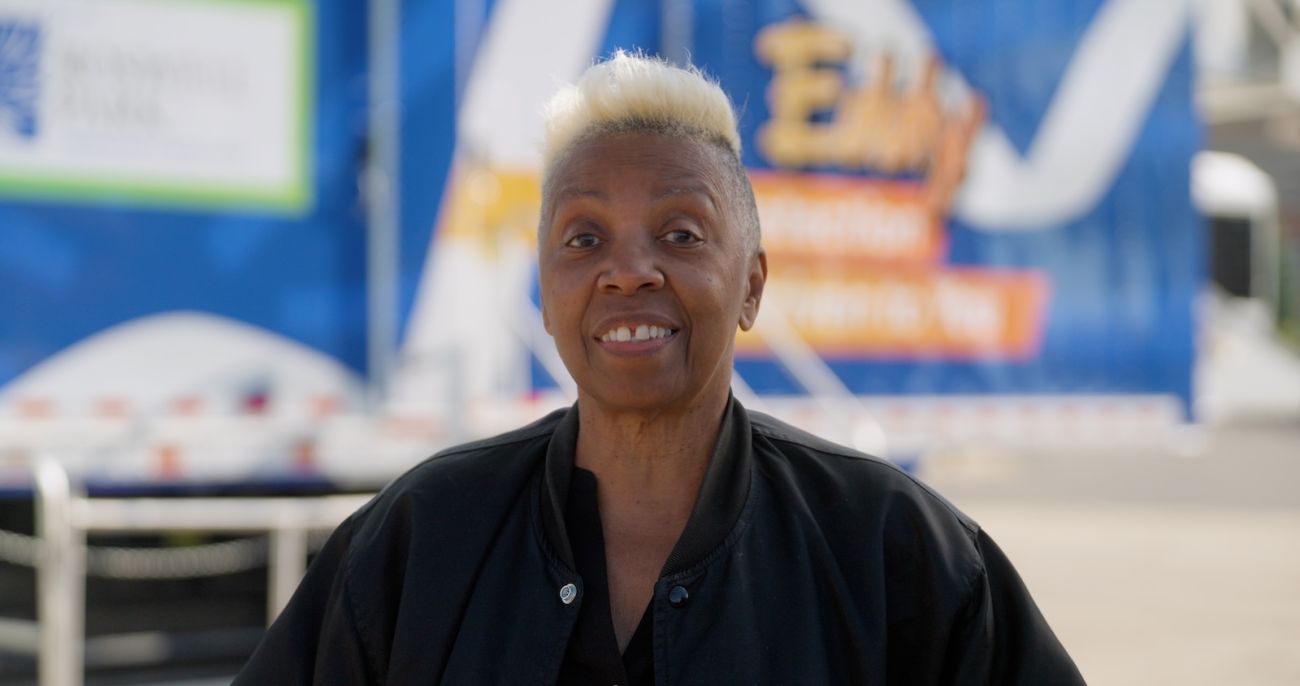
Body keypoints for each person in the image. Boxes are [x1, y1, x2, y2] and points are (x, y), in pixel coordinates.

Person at [234, 52, 1085, 685]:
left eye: (681, 234)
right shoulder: (419, 540)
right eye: (584, 238)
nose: (629, 270)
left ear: (751, 284)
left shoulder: (897, 552)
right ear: (544, 291)